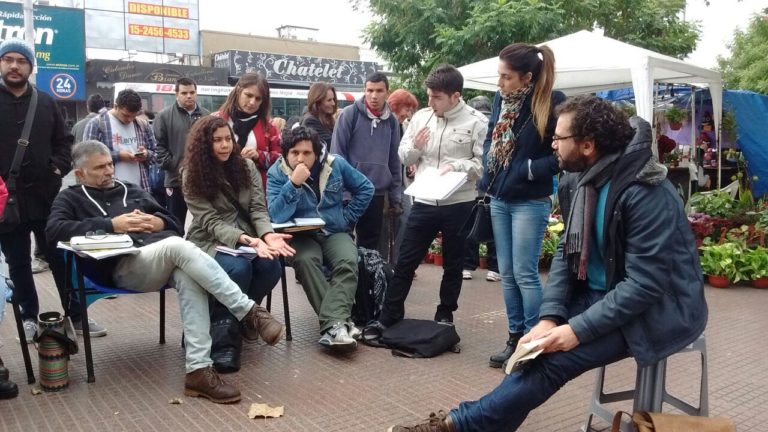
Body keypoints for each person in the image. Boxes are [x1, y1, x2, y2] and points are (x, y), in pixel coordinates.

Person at [388, 95, 708, 432]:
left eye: (558, 138)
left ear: (587, 145)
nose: (552, 145)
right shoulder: (578, 179)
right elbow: (566, 254)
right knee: (533, 353)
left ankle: (456, 425)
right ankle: (466, 425)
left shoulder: (646, 191)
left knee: (552, 362)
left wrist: (576, 330)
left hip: (656, 309)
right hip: (602, 295)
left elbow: (644, 285)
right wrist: (549, 318)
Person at [46, 140, 286, 403]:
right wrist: (111, 224)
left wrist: (157, 222)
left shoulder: (131, 189)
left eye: (110, 164)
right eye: (99, 168)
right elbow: (53, 231)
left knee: (187, 273)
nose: (109, 171)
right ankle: (249, 311)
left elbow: (173, 223)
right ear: (80, 174)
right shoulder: (70, 198)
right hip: (119, 267)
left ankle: (198, 370)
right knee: (177, 247)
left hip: (157, 260)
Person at [0, 38, 99, 343]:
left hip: (46, 199)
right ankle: (29, 316)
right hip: (7, 201)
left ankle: (76, 315)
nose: (14, 66)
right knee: (18, 263)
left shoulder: (45, 102)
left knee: (60, 257)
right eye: (8, 59)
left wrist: (57, 168)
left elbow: (64, 142)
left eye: (21, 61)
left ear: (30, 67)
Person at [374, 64, 487, 330]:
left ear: (455, 96)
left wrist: (457, 166)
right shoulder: (421, 118)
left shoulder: (477, 122)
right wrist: (416, 146)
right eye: (428, 96)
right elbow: (403, 156)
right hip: (424, 200)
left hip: (459, 202)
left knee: (453, 264)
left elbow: (482, 165)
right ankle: (389, 316)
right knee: (406, 261)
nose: (430, 102)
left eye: (437, 97)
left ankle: (445, 314)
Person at [479, 43, 565, 369]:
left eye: (506, 77)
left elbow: (562, 153)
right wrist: (488, 167)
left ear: (527, 77)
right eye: (499, 75)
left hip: (530, 200)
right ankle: (515, 338)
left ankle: (534, 343)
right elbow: (491, 136)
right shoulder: (501, 99)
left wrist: (528, 169)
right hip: (500, 197)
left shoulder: (552, 102)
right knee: (507, 273)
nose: (500, 83)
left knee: (525, 274)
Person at [183, 116, 289, 372]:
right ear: (203, 145)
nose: (224, 145)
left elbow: (258, 209)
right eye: (217, 140)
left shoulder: (246, 166)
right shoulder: (191, 174)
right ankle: (225, 343)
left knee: (271, 266)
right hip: (209, 240)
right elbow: (209, 221)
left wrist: (267, 235)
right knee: (238, 269)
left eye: (228, 139)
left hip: (248, 239)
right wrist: (245, 239)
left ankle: (241, 318)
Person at [267, 126, 373, 351]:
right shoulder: (277, 172)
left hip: (334, 230)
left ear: (316, 153)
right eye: (295, 152)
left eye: (307, 153)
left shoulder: (335, 164)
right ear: (286, 153)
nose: (300, 158)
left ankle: (334, 325)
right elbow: (275, 215)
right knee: (306, 261)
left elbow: (366, 188)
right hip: (299, 236)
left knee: (348, 260)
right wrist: (293, 184)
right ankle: (339, 324)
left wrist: (346, 218)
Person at [330, 72, 403, 250]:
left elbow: (395, 159)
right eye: (370, 90)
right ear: (364, 90)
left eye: (379, 90)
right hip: (351, 192)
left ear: (387, 92)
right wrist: (343, 193)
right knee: (344, 243)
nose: (374, 95)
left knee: (370, 248)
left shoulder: (392, 121)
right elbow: (337, 156)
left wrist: (396, 196)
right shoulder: (349, 114)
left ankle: (366, 270)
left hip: (377, 193)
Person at [154, 77, 209, 227]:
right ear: (176, 94)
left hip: (201, 179)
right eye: (184, 93)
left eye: (192, 92)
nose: (189, 96)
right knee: (175, 222)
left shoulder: (206, 116)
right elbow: (158, 146)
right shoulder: (164, 116)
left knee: (204, 222)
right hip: (174, 179)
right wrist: (173, 165)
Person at [84, 88, 157, 193]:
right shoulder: (96, 124)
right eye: (126, 115)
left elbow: (156, 154)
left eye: (134, 116)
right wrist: (118, 156)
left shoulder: (142, 125)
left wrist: (146, 154)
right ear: (116, 106)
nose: (130, 120)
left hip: (140, 190)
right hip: (108, 191)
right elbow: (88, 158)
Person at [215, 72, 281, 189]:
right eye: (248, 95)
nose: (252, 102)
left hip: (256, 190)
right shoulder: (215, 120)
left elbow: (282, 160)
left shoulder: (269, 126)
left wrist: (259, 155)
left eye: (258, 98)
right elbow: (201, 153)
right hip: (220, 186)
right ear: (238, 91)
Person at [462, 95, 501, 283]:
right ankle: (494, 268)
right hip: (493, 186)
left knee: (470, 226)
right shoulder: (496, 124)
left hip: (472, 186)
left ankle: (467, 266)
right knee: (494, 228)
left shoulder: (469, 124)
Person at [385, 89, 419, 265]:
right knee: (384, 226)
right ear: (395, 105)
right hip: (384, 182)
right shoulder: (384, 124)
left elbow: (404, 153)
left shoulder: (405, 126)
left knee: (407, 219)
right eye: (407, 109)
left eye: (410, 110)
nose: (408, 114)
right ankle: (383, 264)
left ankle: (397, 262)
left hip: (401, 183)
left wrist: (410, 164)